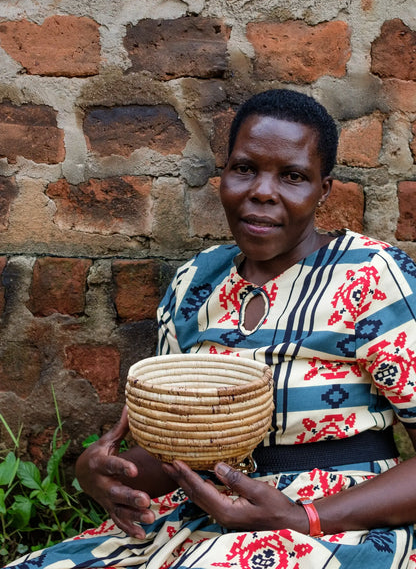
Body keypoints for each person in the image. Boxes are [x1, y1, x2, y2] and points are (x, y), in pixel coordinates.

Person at [8, 88, 416, 569]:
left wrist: (303, 517)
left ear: (323, 190)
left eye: (292, 176)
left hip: (340, 523)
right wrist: (101, 473)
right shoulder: (194, 284)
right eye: (245, 168)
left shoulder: (372, 277)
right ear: (223, 176)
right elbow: (176, 454)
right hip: (203, 519)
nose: (262, 190)